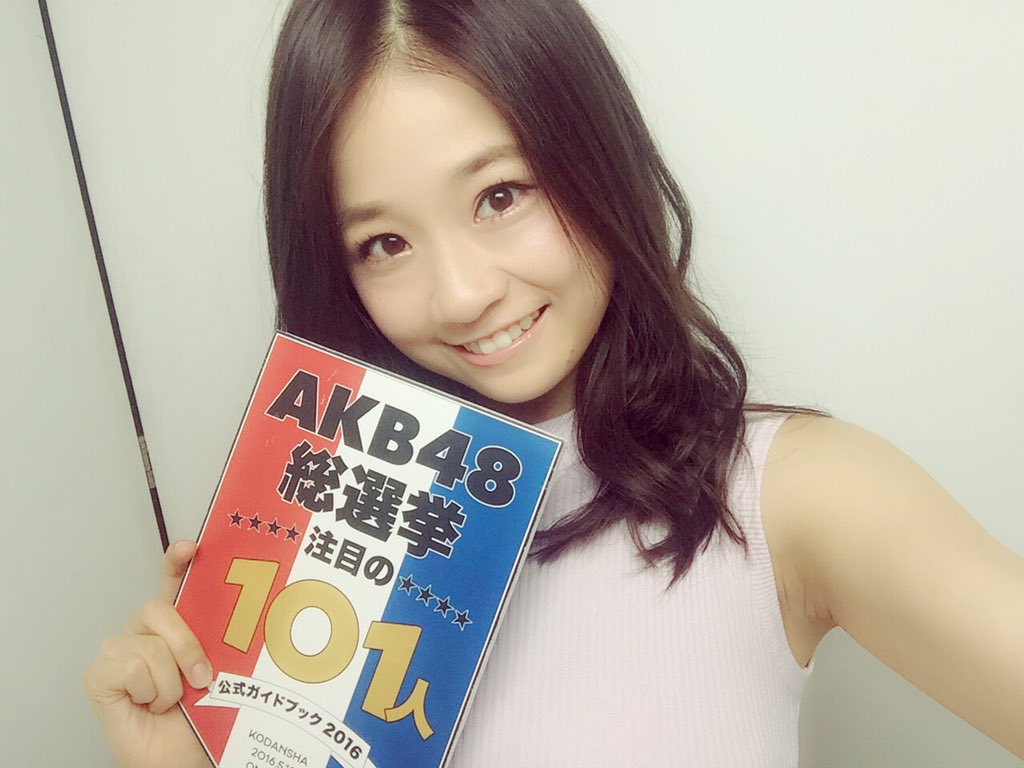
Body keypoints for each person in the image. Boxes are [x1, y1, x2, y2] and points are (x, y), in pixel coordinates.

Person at [84, 0, 1024, 765]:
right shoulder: (322, 553)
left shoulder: (789, 490)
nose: (462, 294)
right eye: (384, 243)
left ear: (595, 158)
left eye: (501, 195)